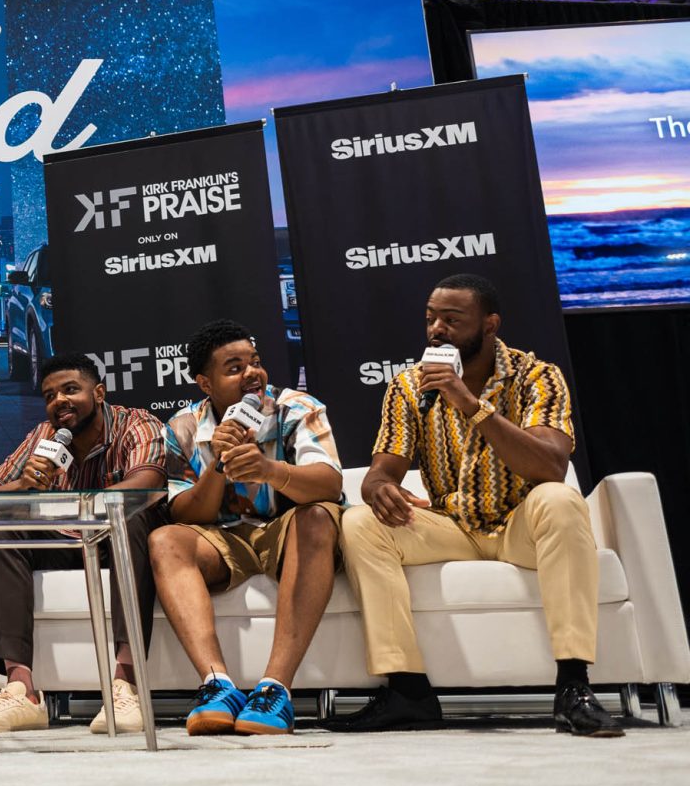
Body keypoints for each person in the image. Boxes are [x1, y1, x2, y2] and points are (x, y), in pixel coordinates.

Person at [327, 274, 622, 737]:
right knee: (362, 523)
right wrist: (378, 487)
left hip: (519, 525)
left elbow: (550, 465)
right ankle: (408, 690)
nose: (436, 330)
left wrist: (470, 404)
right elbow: (383, 468)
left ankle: (572, 686)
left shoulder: (537, 376)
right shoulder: (410, 386)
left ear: (490, 324)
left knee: (560, 501)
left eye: (451, 319)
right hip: (453, 527)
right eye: (430, 319)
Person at [152, 319, 344, 736]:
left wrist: (270, 470)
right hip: (224, 539)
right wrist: (218, 465)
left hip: (286, 529)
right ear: (205, 382)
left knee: (317, 516)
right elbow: (185, 513)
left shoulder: (296, 408)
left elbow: (330, 483)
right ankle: (216, 685)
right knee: (165, 540)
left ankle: (275, 690)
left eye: (254, 362)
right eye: (234, 367)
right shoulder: (183, 426)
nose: (252, 373)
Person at [0, 353, 169, 735]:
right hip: (67, 540)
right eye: (50, 395)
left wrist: (78, 504)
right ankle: (22, 690)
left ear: (100, 393)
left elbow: (147, 483)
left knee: (132, 513)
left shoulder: (136, 424)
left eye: (71, 390)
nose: (59, 401)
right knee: (5, 523)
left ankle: (125, 685)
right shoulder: (43, 436)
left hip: (116, 539)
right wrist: (21, 487)